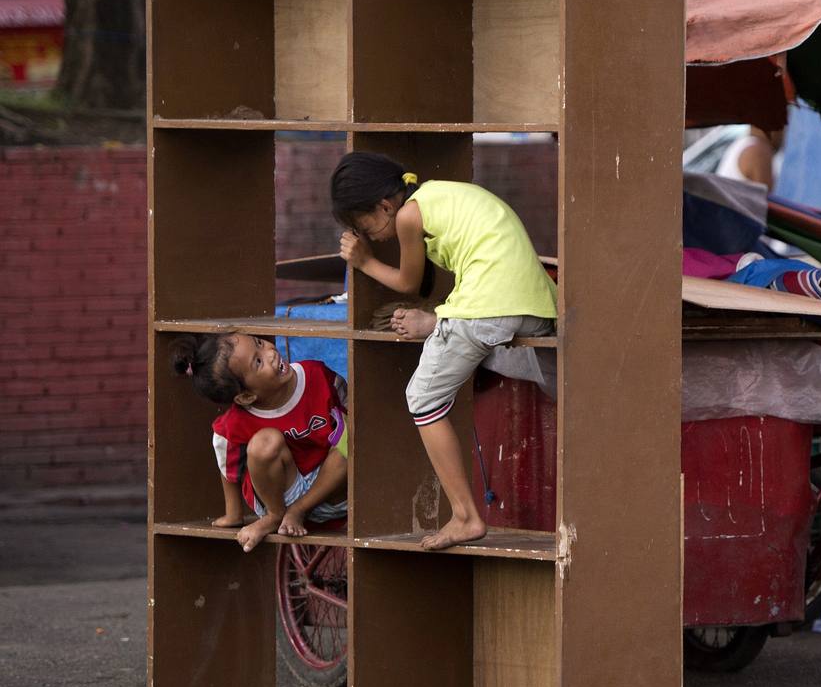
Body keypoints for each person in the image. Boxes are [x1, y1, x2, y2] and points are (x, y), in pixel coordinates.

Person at [331, 152, 556, 549]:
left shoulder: (407, 216)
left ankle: (466, 516)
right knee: (496, 351)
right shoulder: (437, 196)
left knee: (423, 398)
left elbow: (406, 283)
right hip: (534, 305)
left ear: (385, 205)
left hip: (491, 303)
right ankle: (437, 324)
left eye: (364, 224)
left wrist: (364, 262)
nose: (368, 234)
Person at [169, 333, 349, 552]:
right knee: (265, 442)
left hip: (332, 491)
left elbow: (347, 402)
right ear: (246, 397)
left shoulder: (316, 374)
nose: (271, 353)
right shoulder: (238, 422)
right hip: (281, 496)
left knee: (349, 443)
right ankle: (274, 517)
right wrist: (233, 513)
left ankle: (298, 511)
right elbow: (228, 464)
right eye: (258, 361)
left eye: (260, 343)